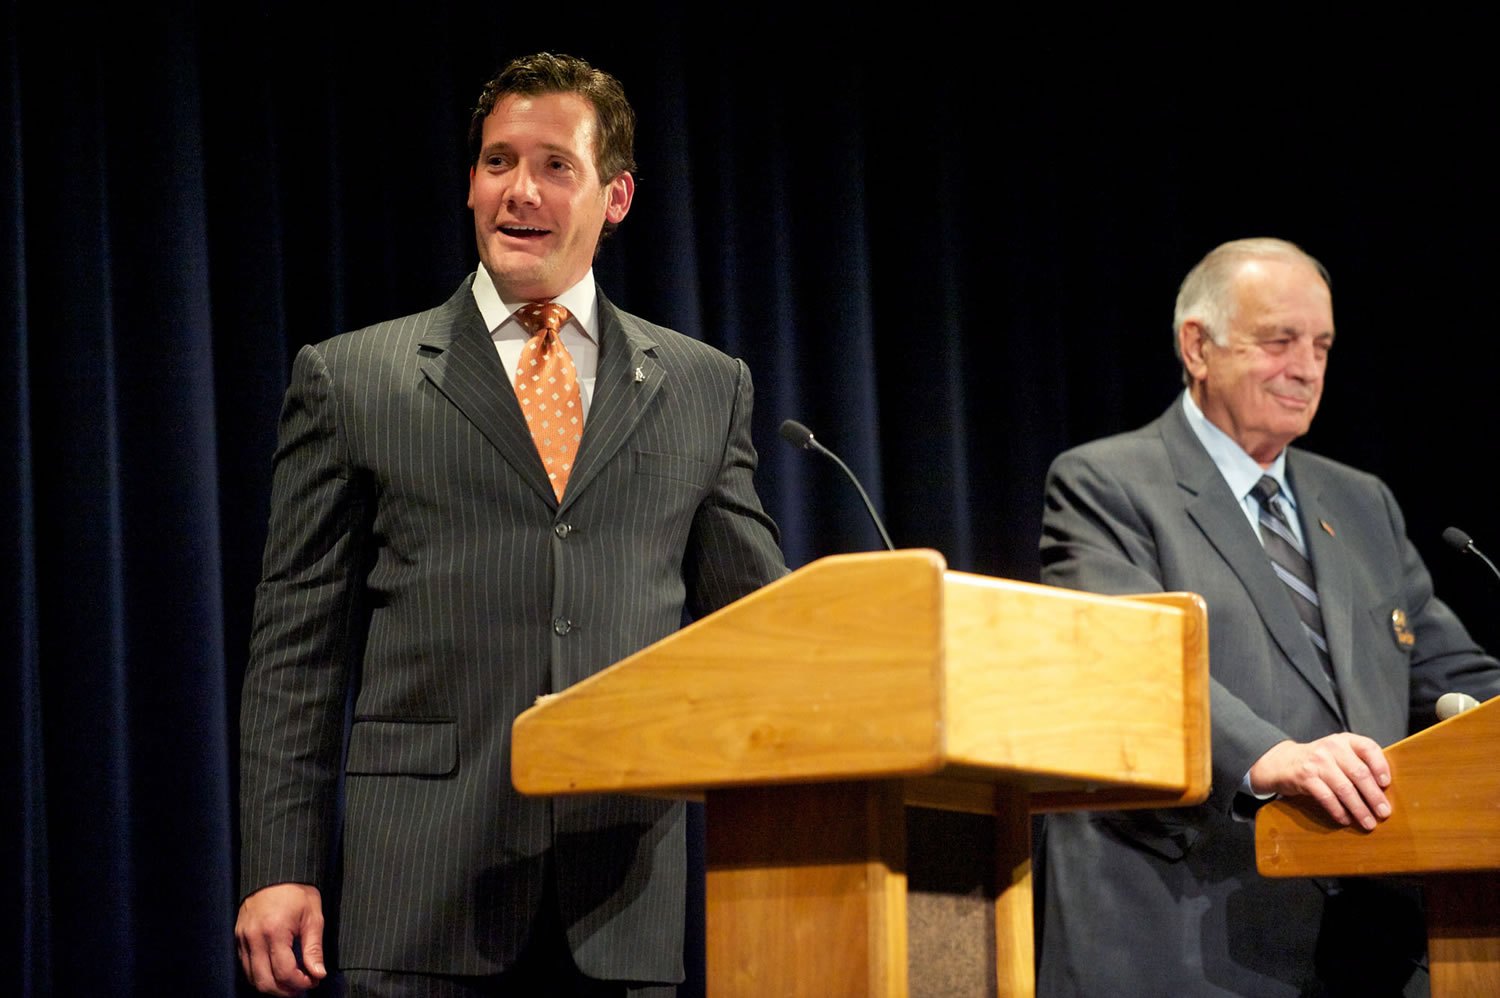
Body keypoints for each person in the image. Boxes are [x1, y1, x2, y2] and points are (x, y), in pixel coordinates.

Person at [234, 52, 786, 997]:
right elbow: (297, 646)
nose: (518, 192)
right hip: (421, 894)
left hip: (622, 894)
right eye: (498, 162)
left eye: (554, 166)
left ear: (615, 197)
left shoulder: (703, 386)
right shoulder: (353, 376)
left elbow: (758, 631)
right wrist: (277, 864)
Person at [1036, 237, 1500, 997]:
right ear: (1198, 346)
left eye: (1321, 345)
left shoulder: (1361, 502)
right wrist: (1270, 753)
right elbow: (1127, 663)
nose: (1308, 367)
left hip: (1376, 939)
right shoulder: (1106, 483)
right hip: (1189, 920)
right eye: (1279, 340)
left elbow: (1450, 675)